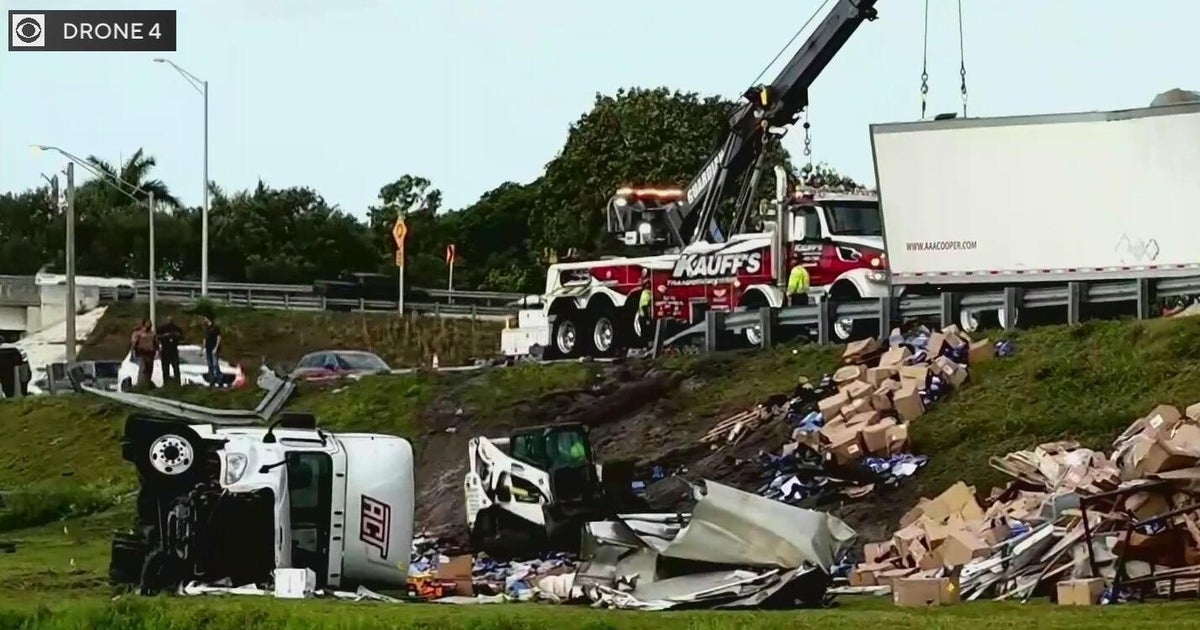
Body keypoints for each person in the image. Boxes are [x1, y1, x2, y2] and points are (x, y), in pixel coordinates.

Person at [130, 319, 157, 389]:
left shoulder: (152, 333)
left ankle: (147, 384)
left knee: (149, 369)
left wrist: (157, 350)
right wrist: (133, 351)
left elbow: (155, 343)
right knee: (143, 368)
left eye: (150, 324)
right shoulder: (137, 333)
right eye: (148, 324)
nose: (149, 325)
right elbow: (133, 343)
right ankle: (141, 384)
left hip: (150, 353)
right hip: (141, 353)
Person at [157, 316, 183, 385]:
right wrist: (166, 335)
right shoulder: (162, 329)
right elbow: (157, 337)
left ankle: (177, 383)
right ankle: (166, 383)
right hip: (166, 350)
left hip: (173, 350)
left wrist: (176, 336)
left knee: (176, 368)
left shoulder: (177, 329)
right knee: (166, 369)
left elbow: (182, 337)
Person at [203, 315, 222, 388]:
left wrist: (216, 348)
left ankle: (220, 380)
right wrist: (203, 348)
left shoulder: (215, 328)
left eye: (205, 318)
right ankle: (212, 381)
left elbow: (219, 337)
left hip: (213, 348)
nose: (204, 320)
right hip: (208, 348)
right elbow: (205, 338)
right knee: (210, 365)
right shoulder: (206, 328)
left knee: (215, 365)